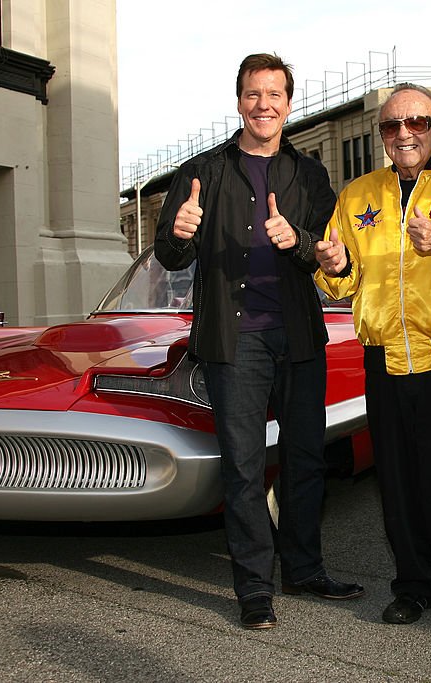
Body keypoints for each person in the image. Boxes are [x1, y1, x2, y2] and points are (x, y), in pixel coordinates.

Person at [154, 53, 364, 631]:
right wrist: (178, 233)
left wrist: (297, 240)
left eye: (274, 94)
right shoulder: (203, 173)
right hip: (233, 340)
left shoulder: (311, 175)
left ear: (289, 105)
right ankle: (253, 588)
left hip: (298, 336)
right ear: (239, 101)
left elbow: (330, 255)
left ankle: (303, 568)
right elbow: (169, 253)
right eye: (253, 94)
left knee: (304, 459)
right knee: (244, 468)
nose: (263, 104)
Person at [314, 83, 431, 629]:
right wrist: (333, 261)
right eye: (391, 126)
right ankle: (412, 583)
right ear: (382, 137)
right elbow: (341, 284)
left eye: (416, 121)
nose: (404, 133)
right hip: (385, 357)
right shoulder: (357, 196)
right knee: (396, 478)